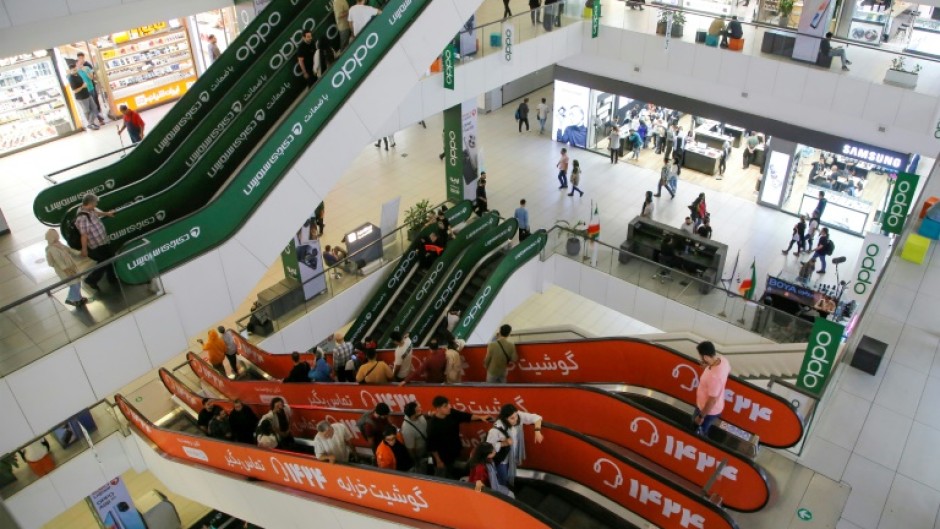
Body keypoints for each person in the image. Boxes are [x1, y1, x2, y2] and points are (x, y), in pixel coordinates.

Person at [426, 395, 492, 478]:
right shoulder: (432, 425)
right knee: (442, 477)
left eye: (449, 405)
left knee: (452, 474)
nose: (449, 407)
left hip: (454, 453)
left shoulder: (452, 413)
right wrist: (438, 461)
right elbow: (431, 446)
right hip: (442, 458)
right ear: (438, 409)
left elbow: (467, 416)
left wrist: (481, 417)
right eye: (445, 406)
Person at [485, 403, 544, 486]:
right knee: (503, 478)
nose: (516, 419)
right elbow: (488, 447)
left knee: (510, 474)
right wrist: (504, 443)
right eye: (512, 418)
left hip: (513, 456)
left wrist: (537, 431)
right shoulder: (496, 430)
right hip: (502, 459)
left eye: (516, 416)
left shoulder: (518, 416)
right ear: (505, 419)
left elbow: (536, 418)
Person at [74, 193, 117, 290]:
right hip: (97, 245)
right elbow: (84, 235)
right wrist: (84, 249)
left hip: (102, 241)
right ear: (90, 203)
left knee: (110, 258)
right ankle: (91, 280)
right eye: (95, 203)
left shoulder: (90, 209)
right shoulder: (82, 218)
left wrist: (107, 213)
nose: (96, 205)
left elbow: (97, 213)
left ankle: (112, 278)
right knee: (104, 262)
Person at [693, 341, 731, 437]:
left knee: (698, 431)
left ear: (705, 357)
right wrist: (708, 366)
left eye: (701, 356)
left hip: (707, 411)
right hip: (712, 407)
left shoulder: (714, 377)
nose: (701, 358)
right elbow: (727, 371)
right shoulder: (723, 361)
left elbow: (712, 400)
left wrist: (701, 416)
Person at [45, 229, 86, 306]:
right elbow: (59, 261)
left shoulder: (59, 244)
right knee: (74, 283)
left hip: (71, 266)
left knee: (77, 282)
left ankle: (78, 298)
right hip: (65, 271)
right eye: (56, 234)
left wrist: (79, 253)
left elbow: (69, 250)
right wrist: (66, 270)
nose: (58, 235)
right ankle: (71, 299)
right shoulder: (52, 249)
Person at [67, 62, 103, 130]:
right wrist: (82, 87)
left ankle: (90, 123)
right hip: (81, 97)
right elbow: (75, 91)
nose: (76, 71)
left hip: (87, 94)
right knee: (87, 111)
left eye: (76, 69)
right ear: (70, 70)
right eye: (74, 70)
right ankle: (91, 124)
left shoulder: (78, 75)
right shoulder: (71, 79)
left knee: (94, 108)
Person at [401, 401, 429, 473]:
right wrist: (416, 462)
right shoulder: (407, 429)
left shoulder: (419, 416)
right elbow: (410, 449)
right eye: (418, 410)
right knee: (422, 470)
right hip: (420, 454)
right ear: (413, 415)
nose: (421, 410)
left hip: (426, 447)